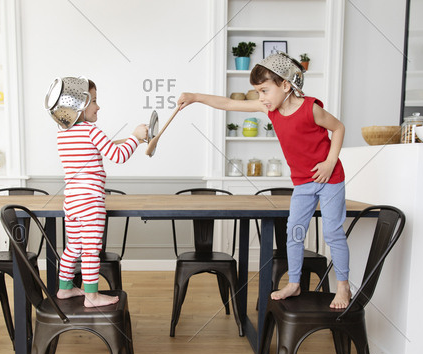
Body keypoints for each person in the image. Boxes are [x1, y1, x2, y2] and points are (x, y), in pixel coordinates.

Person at [178, 52, 350, 309]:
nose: (261, 98)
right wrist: (195, 97)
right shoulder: (270, 109)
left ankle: (344, 287)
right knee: (294, 231)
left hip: (330, 178)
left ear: (286, 85)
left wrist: (329, 162)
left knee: (333, 233)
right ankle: (294, 283)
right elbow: (227, 104)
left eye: (265, 90)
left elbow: (338, 128)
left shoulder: (311, 108)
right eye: (258, 92)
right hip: (303, 182)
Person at [54, 78, 148, 307]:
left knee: (73, 247)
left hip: (72, 202)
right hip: (90, 203)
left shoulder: (63, 135)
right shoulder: (91, 131)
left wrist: (130, 139)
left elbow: (97, 149)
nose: (98, 106)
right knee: (91, 251)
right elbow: (118, 155)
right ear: (79, 105)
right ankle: (92, 296)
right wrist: (135, 136)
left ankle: (65, 288)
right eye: (94, 101)